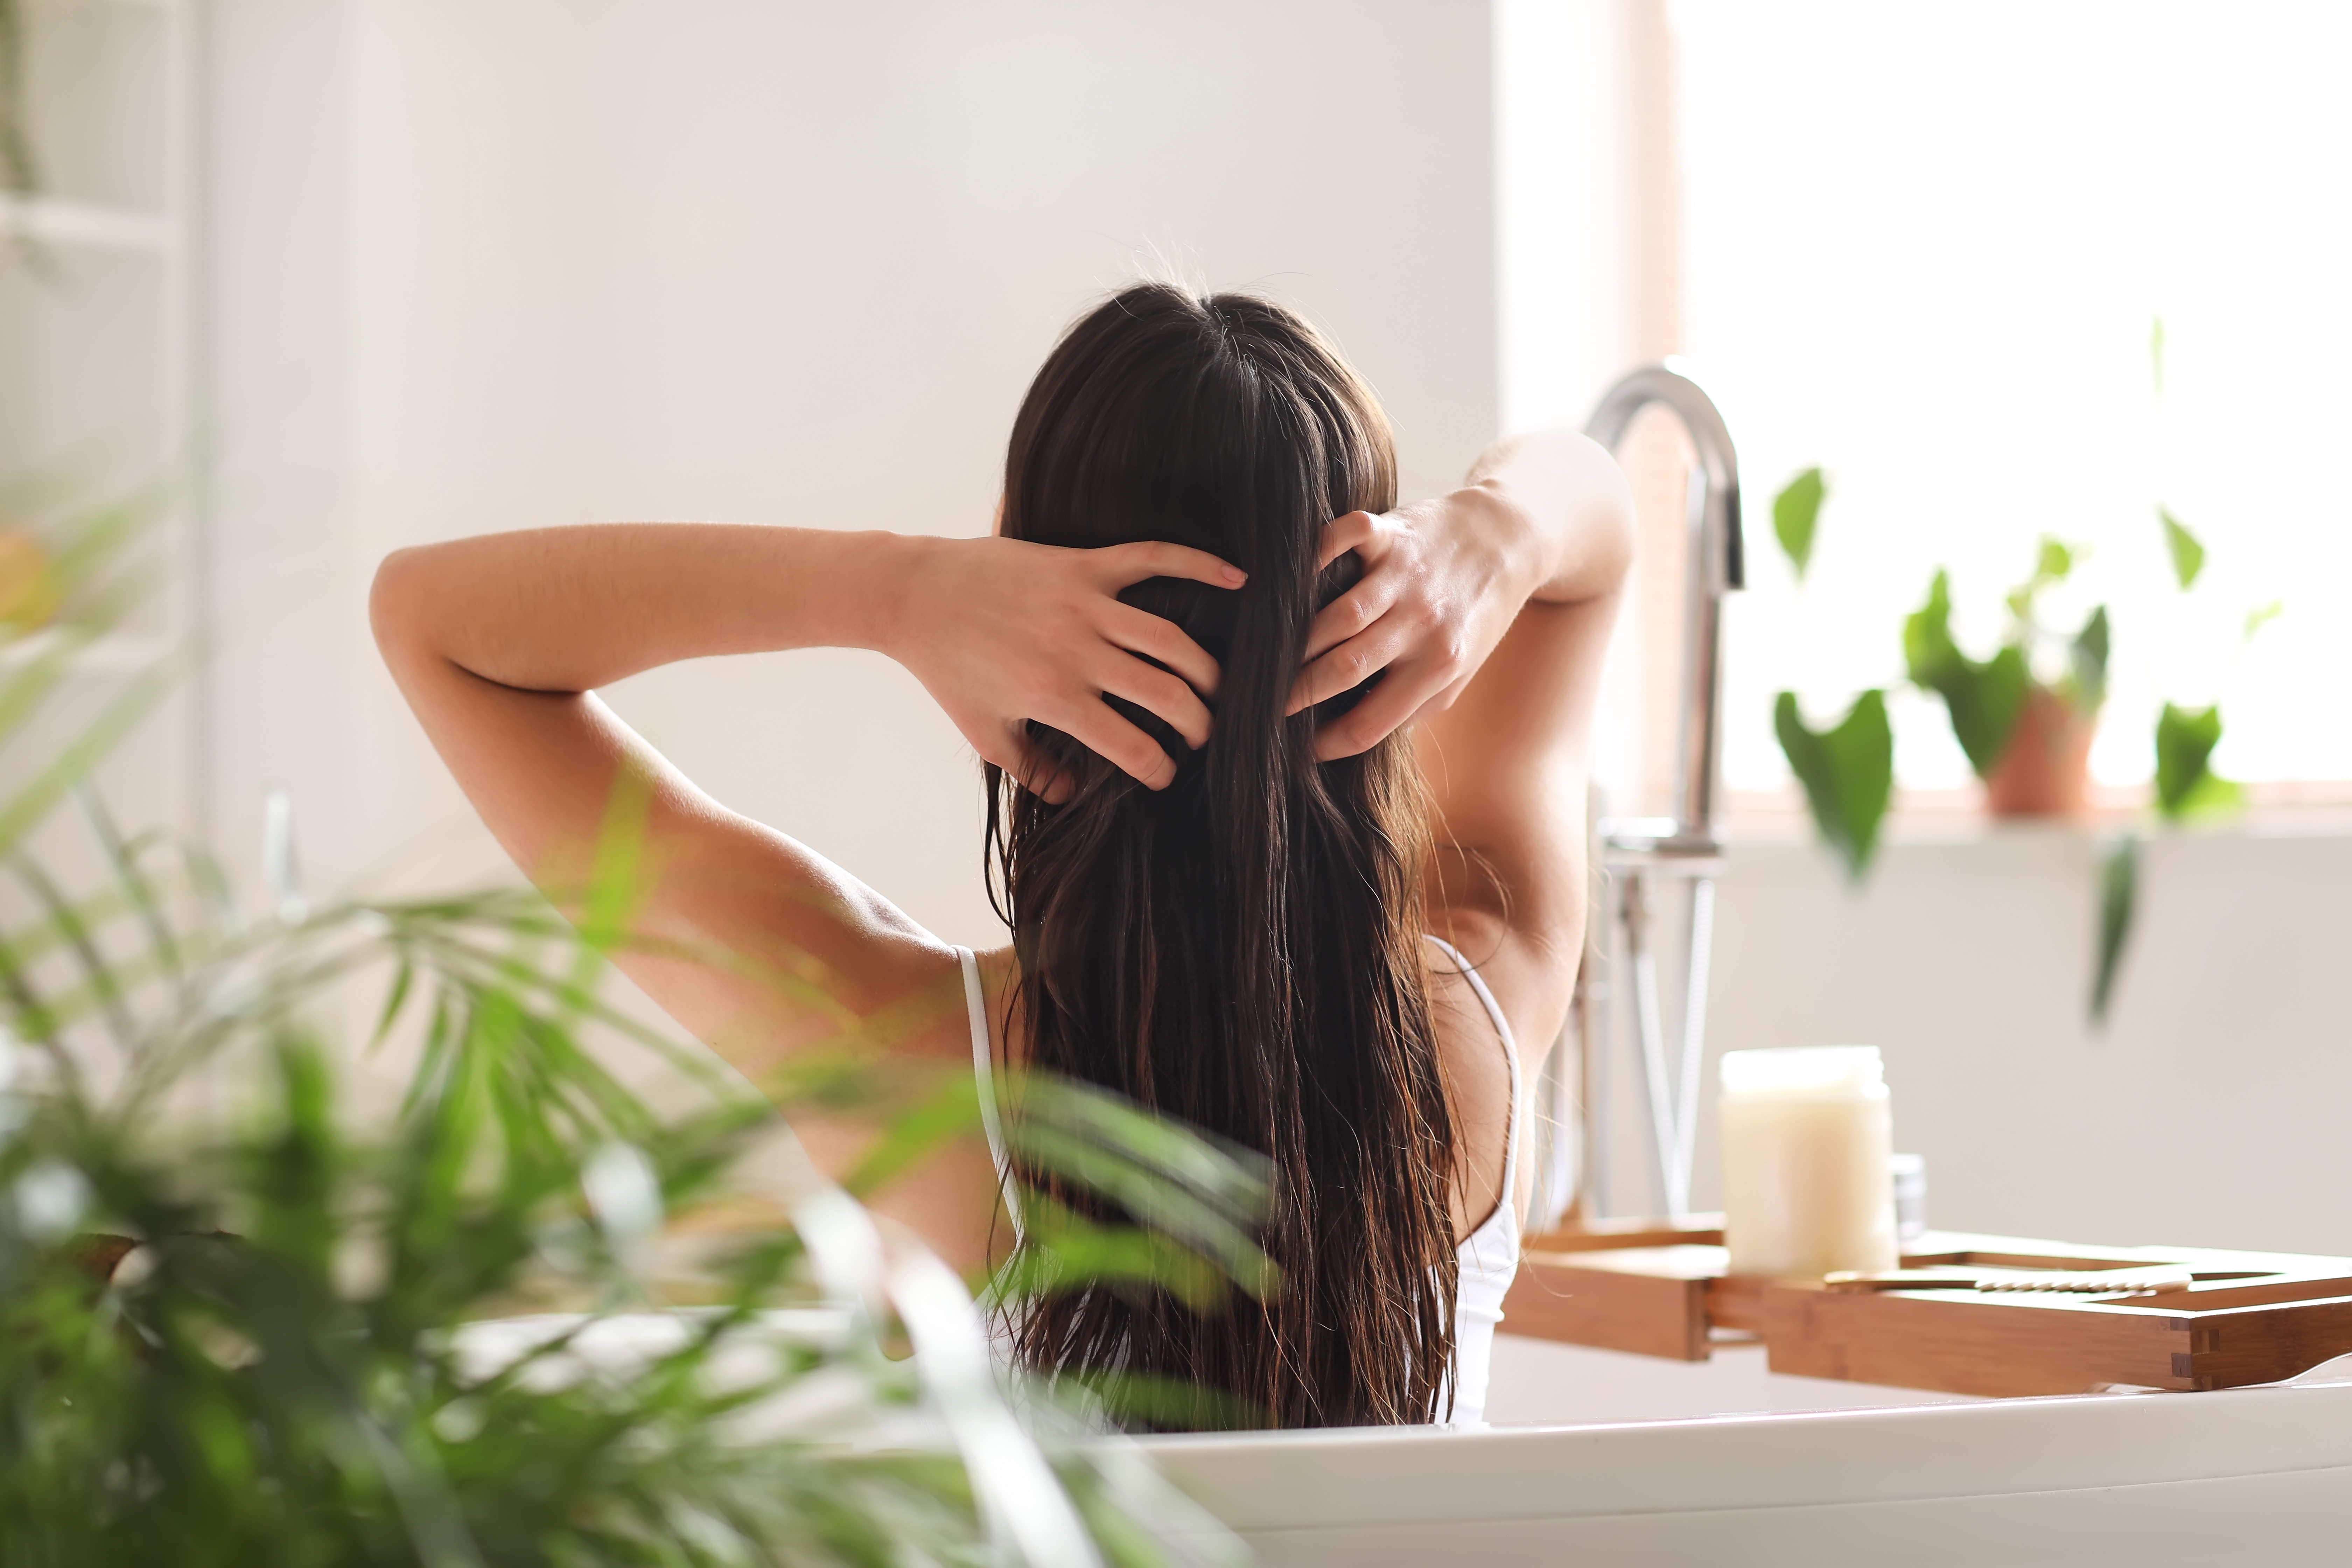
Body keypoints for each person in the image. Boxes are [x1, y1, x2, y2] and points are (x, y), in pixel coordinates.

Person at [371, 283, 1633, 1428]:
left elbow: (434, 622)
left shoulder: (902, 1060)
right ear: (1389, 619)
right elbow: (1600, 531)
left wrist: (900, 592)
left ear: (1015, 592)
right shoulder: (1482, 1016)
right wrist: (1490, 536)